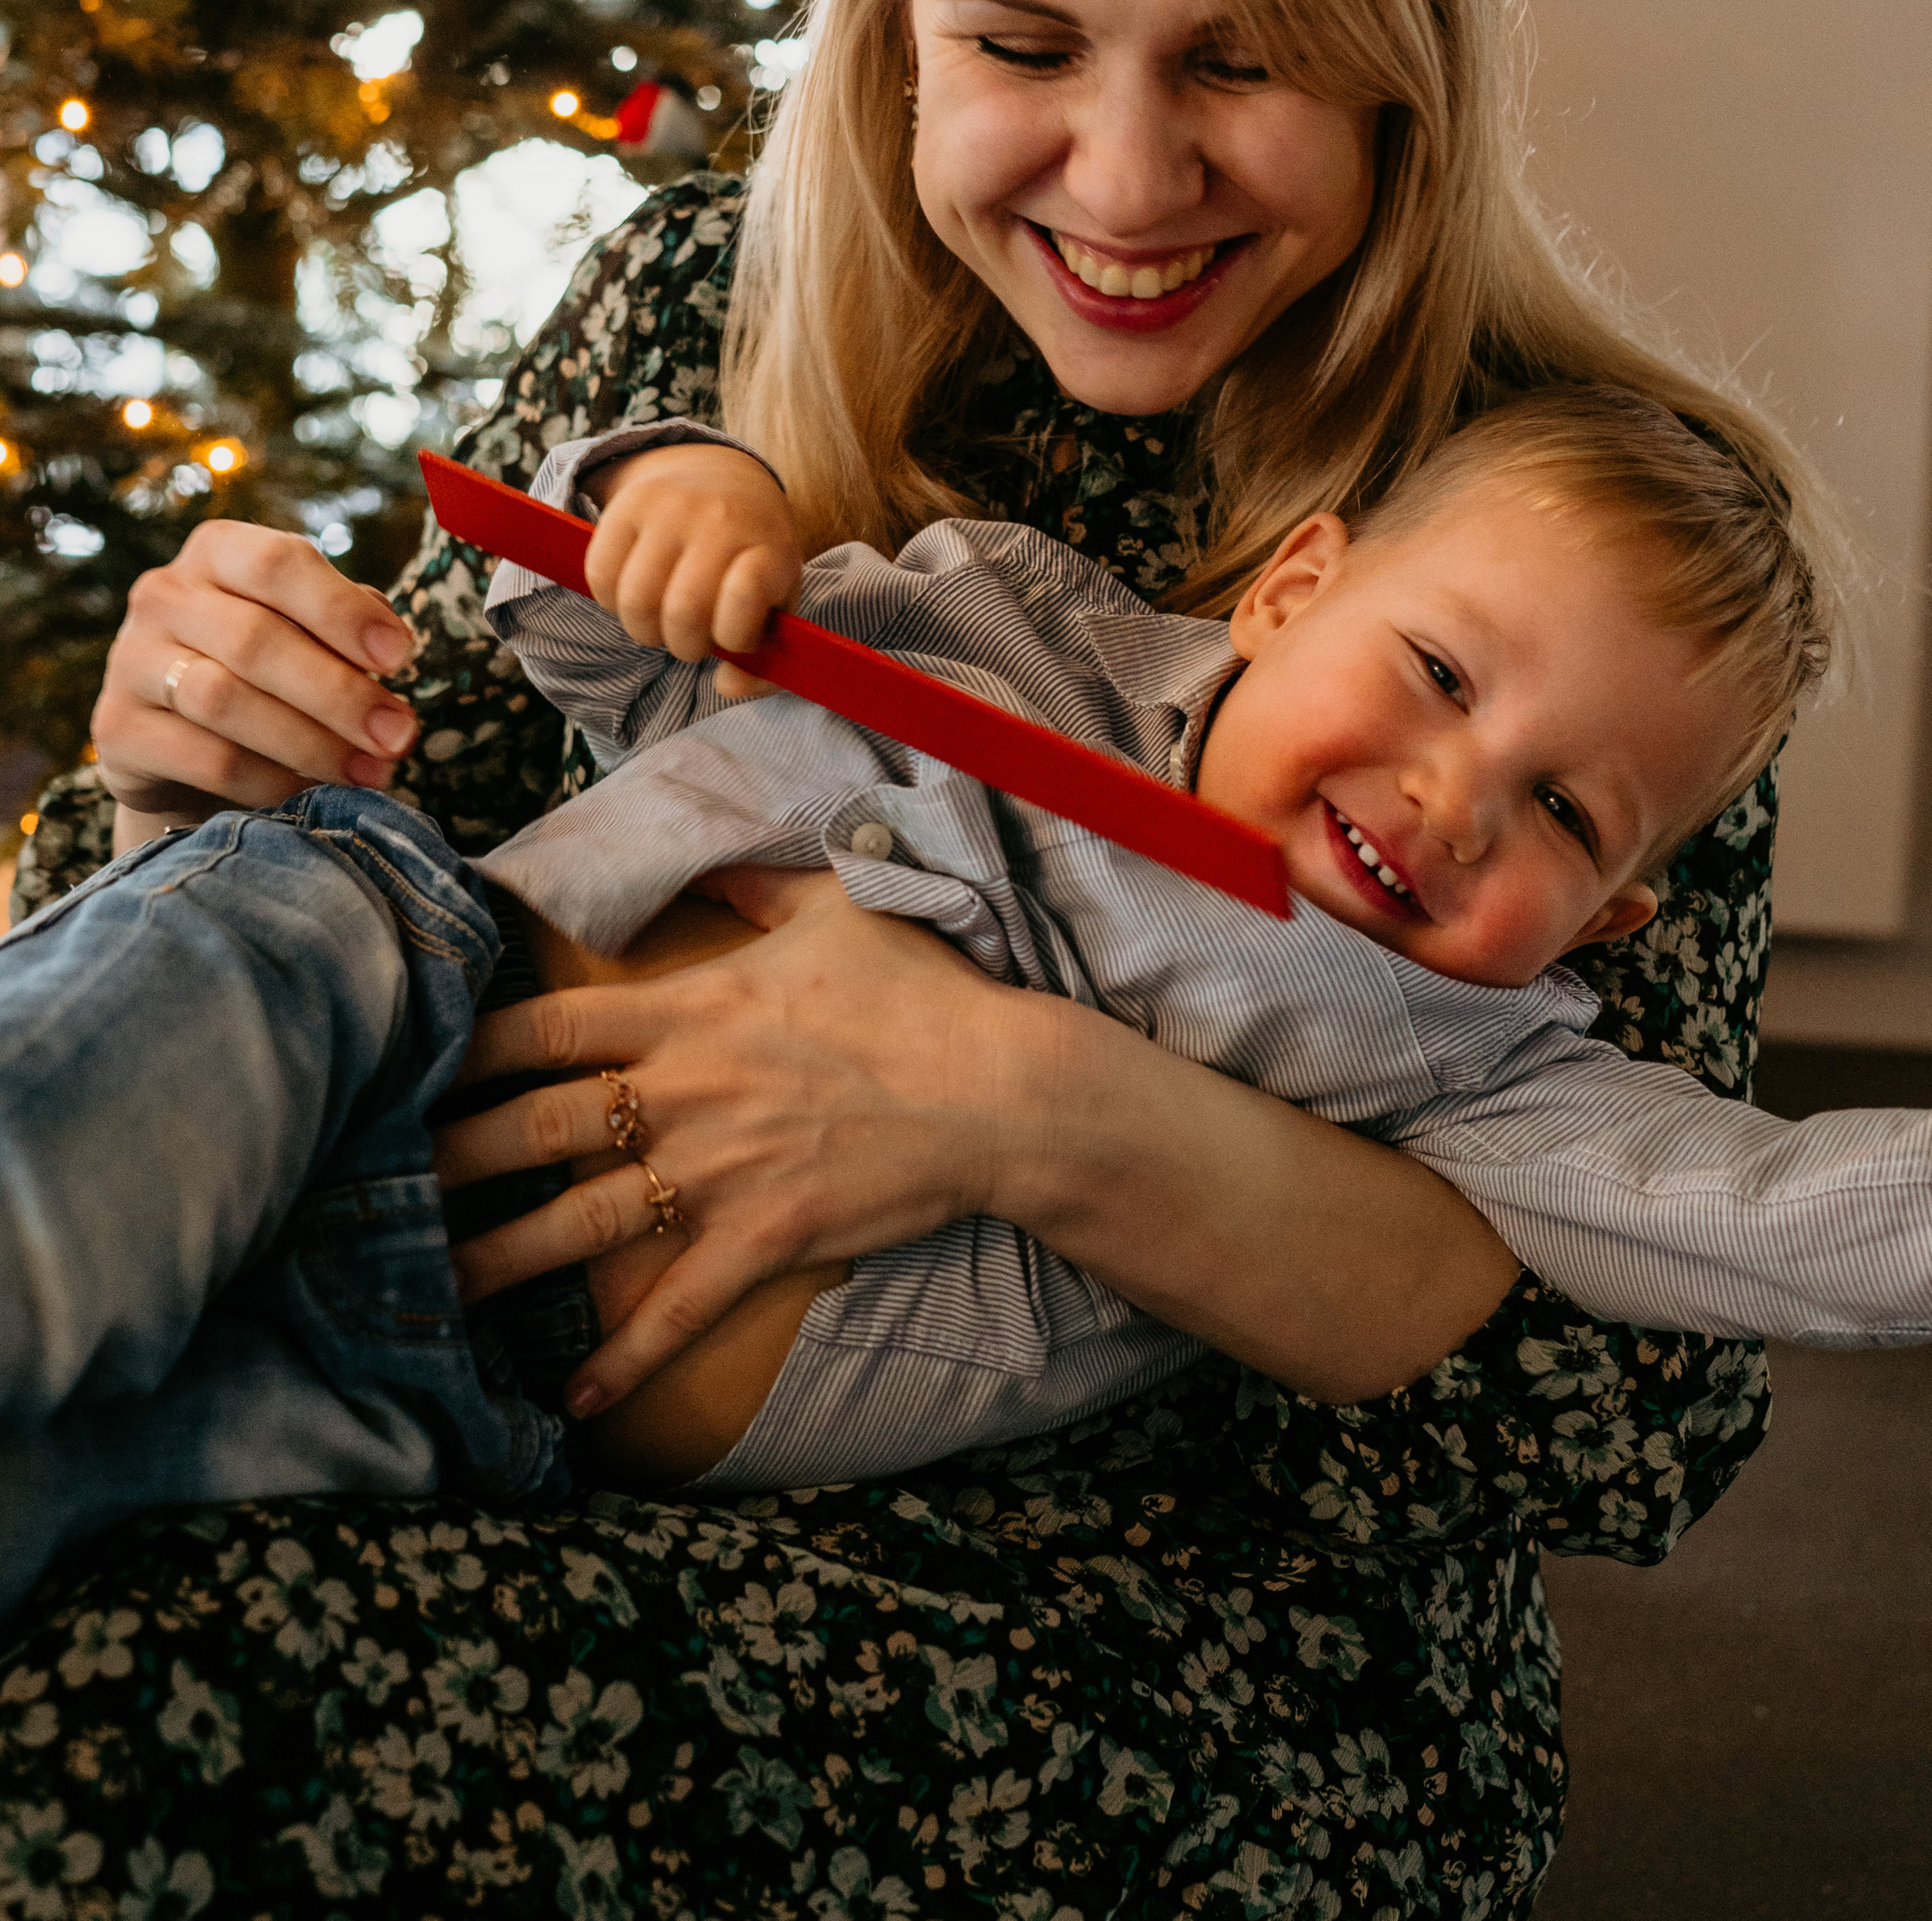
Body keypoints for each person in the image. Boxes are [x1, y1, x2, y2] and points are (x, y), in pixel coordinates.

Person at [0, 0, 1807, 1915]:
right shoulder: (693, 301)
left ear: (1404, 56)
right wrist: (174, 761)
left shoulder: (1584, 546)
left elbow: (1630, 1413)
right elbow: (321, 899)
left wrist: (1014, 1105)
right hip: (491, 1408)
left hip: (1165, 1636)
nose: (1129, 180)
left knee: (110, 1719)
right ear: (896, 20)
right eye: (1025, 48)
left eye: (1243, 60)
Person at [7, 382, 1921, 1628]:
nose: (1452, 797)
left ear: (1609, 915)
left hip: (460, 1409)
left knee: (72, 1528)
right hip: (385, 975)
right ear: (1288, 593)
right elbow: (616, 643)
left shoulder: (1471, 1064)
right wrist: (678, 496)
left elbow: (1777, 1216)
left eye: (1563, 814)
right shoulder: (1011, 623)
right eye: (1435, 672)